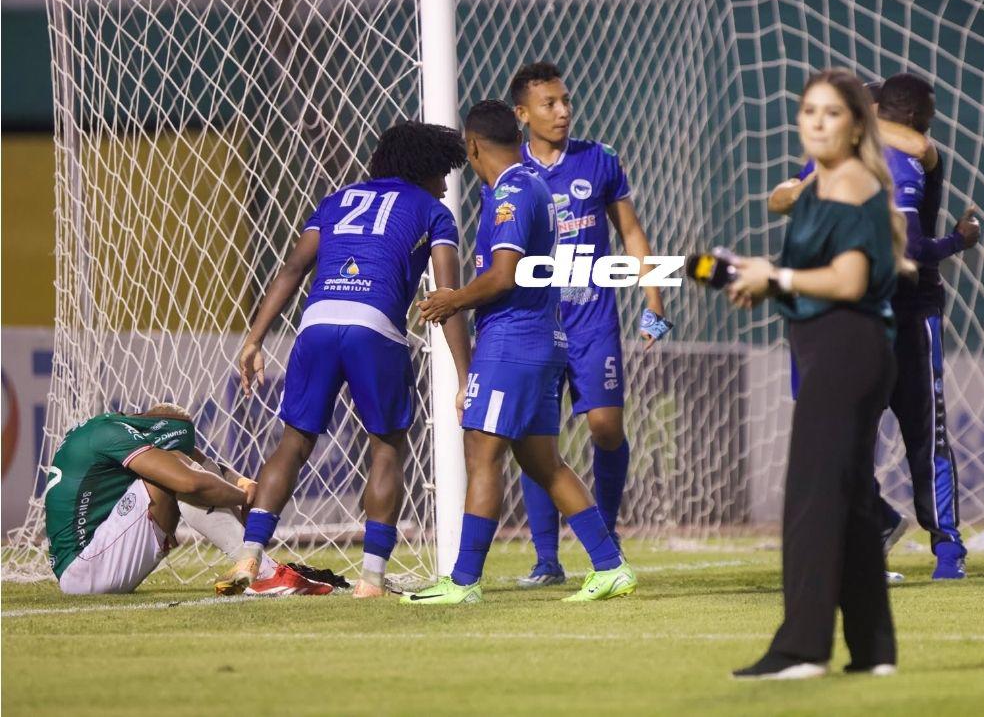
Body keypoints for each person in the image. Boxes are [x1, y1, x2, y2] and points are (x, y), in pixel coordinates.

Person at [220, 121, 473, 599]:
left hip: (315, 323)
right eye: (442, 173)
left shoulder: (336, 200)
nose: (444, 186)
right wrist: (465, 377)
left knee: (293, 443)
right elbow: (448, 298)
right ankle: (371, 578)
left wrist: (254, 339)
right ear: (424, 168)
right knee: (387, 448)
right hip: (374, 327)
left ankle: (249, 554)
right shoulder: (433, 212)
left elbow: (293, 269)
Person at [409, 99, 635, 604]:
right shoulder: (532, 184)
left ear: (472, 146)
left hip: (512, 341)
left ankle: (463, 582)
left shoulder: (510, 190)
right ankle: (611, 566)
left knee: (481, 453)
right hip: (541, 338)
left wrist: (452, 299)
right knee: (544, 464)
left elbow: (503, 275)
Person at [728, 69, 908, 679]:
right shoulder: (815, 190)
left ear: (857, 126)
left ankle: (803, 650)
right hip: (829, 348)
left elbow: (848, 282)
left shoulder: (853, 182)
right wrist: (762, 283)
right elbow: (806, 280)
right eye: (809, 111)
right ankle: (873, 651)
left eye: (832, 113)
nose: (818, 122)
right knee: (850, 502)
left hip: (847, 351)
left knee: (813, 499)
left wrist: (776, 277)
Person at [769, 74, 978, 580]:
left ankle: (948, 548)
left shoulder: (906, 162)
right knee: (841, 437)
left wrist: (952, 243)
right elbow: (783, 197)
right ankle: (877, 526)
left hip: (908, 315)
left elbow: (908, 247)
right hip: (846, 317)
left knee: (924, 432)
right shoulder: (834, 160)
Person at [503, 61, 671, 588]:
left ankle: (607, 530)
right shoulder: (511, 173)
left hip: (593, 319)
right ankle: (546, 559)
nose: (562, 111)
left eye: (566, 100)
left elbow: (631, 232)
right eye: (549, 103)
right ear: (522, 114)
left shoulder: (600, 159)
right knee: (537, 438)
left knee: (605, 426)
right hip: (536, 323)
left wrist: (654, 301)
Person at [45, 403, 332, 595]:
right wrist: (243, 495)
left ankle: (259, 565)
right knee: (180, 477)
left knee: (181, 468)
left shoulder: (113, 429)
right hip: (87, 567)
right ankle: (262, 571)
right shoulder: (112, 434)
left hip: (86, 564)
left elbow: (203, 464)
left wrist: (243, 482)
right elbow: (190, 481)